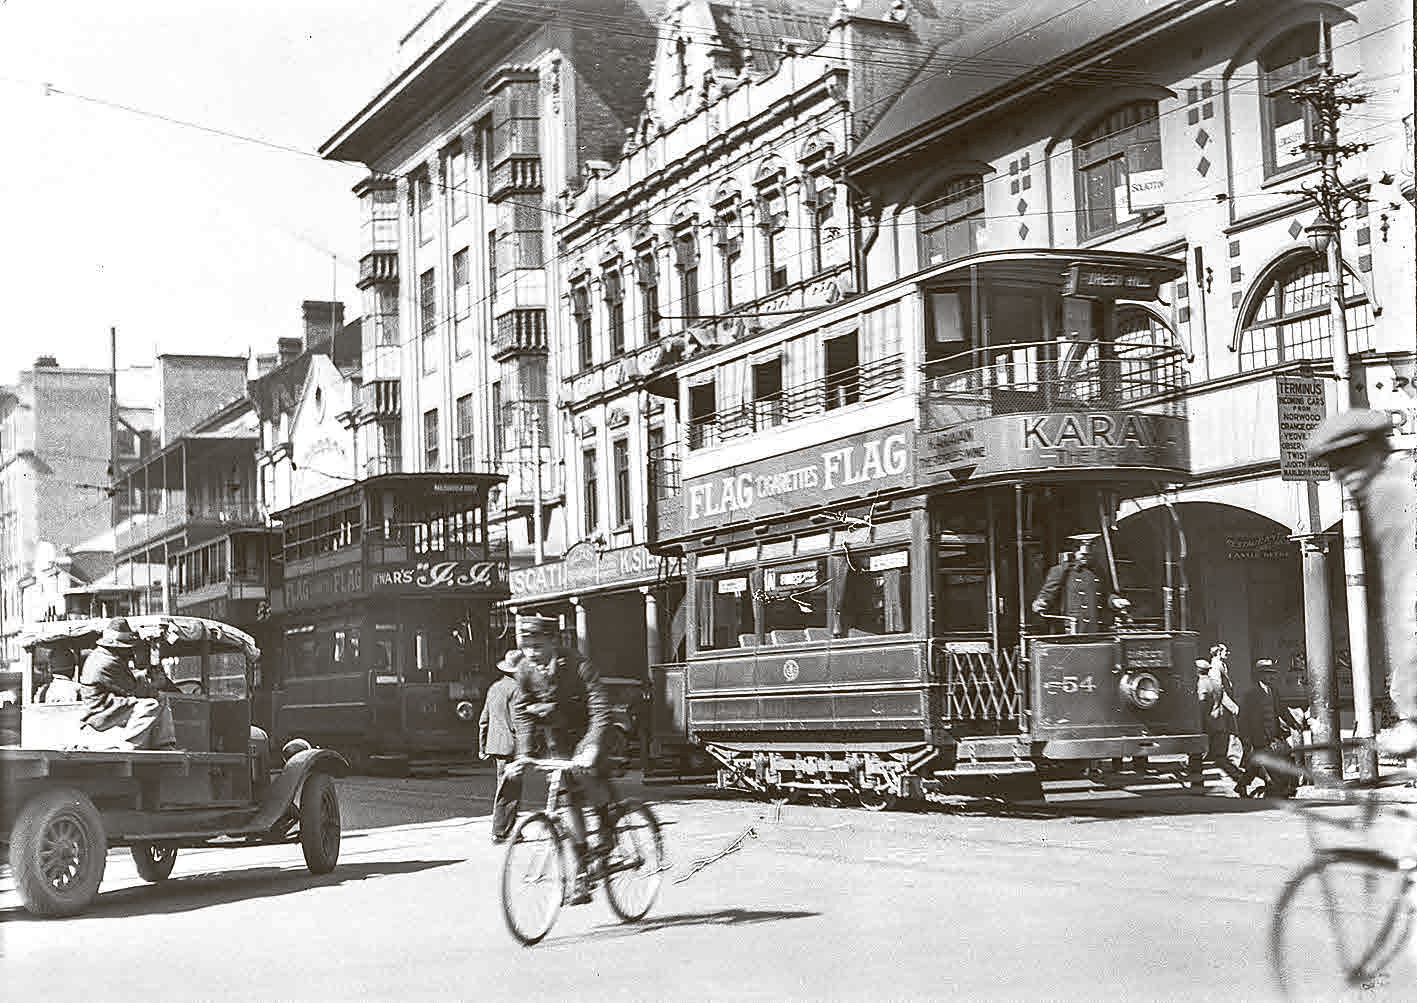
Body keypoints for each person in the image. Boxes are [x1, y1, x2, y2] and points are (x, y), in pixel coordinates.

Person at [1306, 409, 1417, 756]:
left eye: (1349, 461)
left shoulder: (1392, 492)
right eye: (1335, 467)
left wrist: (1412, 714)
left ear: (1375, 451)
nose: (1342, 476)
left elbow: (1408, 602)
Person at [493, 614, 613, 905]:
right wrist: (524, 755)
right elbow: (523, 713)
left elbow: (600, 708)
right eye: (526, 646)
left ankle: (606, 828)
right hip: (558, 740)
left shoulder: (578, 665)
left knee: (587, 777)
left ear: (553, 642)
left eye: (537, 645)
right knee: (567, 800)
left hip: (590, 732)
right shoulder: (524, 670)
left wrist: (591, 747)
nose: (531, 652)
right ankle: (582, 871)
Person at [77, 618, 178, 750]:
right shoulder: (108, 661)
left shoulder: (100, 656)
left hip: (108, 705)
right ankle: (129, 745)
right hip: (101, 711)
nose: (128, 651)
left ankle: (164, 743)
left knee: (161, 697)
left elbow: (125, 683)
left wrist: (147, 682)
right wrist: (155, 685)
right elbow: (134, 690)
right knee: (150, 704)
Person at [1031, 533, 1131, 634]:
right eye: (1081, 553)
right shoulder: (1062, 570)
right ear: (1074, 552)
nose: (1085, 556)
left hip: (1097, 628)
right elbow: (1048, 593)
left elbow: (1105, 594)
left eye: (1088, 554)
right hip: (1073, 628)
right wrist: (1041, 602)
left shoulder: (1098, 572)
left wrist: (1115, 601)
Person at [1238, 658, 1297, 797]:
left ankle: (1242, 785)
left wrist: (1294, 723)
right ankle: (1274, 786)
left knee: (1258, 761)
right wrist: (1245, 738)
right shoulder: (1251, 694)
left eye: (1272, 673)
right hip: (1258, 735)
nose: (1271, 676)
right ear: (1260, 675)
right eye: (1267, 673)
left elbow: (1282, 709)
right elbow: (1243, 718)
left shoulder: (1273, 691)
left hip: (1273, 734)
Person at [1197, 646, 1249, 796]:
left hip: (1208, 725)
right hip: (1219, 724)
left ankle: (1197, 785)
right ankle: (1240, 778)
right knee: (1219, 757)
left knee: (1201, 755)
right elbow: (1223, 697)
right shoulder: (1216, 683)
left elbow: (1202, 705)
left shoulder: (1202, 684)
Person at [481, 654, 521, 842]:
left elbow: (484, 719)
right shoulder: (517, 689)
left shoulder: (494, 688)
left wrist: (482, 746)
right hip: (512, 746)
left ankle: (507, 828)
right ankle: (501, 830)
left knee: (504, 787)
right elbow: (517, 722)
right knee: (510, 790)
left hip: (496, 746)